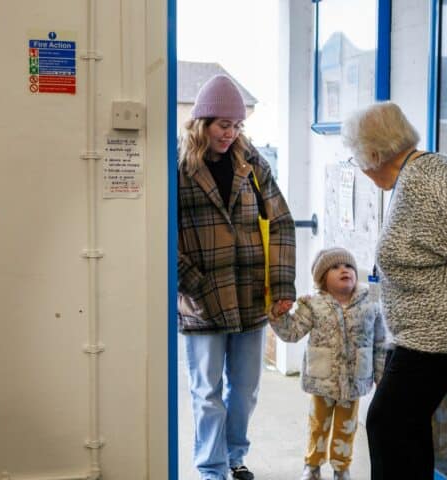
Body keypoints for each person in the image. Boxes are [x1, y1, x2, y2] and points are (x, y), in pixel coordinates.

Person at [340, 101, 447, 480]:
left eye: (356, 158)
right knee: (403, 423)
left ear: (372, 154)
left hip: (443, 329)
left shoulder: (424, 181)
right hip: (426, 330)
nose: (361, 167)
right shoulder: (416, 176)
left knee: (387, 423)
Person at [177, 74, 296, 480]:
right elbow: (160, 233)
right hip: (203, 299)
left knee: (244, 389)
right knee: (207, 393)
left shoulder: (253, 162)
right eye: (222, 125)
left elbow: (280, 221)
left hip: (249, 295)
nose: (230, 134)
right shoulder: (179, 167)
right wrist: (193, 283)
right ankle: (211, 469)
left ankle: (235, 456)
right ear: (202, 123)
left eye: (237, 125)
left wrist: (281, 286)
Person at [269, 247, 386, 480]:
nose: (344, 270)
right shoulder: (313, 305)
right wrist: (278, 316)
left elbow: (379, 342)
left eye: (348, 266)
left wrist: (380, 374)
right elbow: (292, 333)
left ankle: (341, 468)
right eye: (335, 267)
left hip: (354, 381)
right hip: (323, 380)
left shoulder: (370, 303)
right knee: (318, 426)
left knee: (347, 427)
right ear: (322, 278)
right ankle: (312, 466)